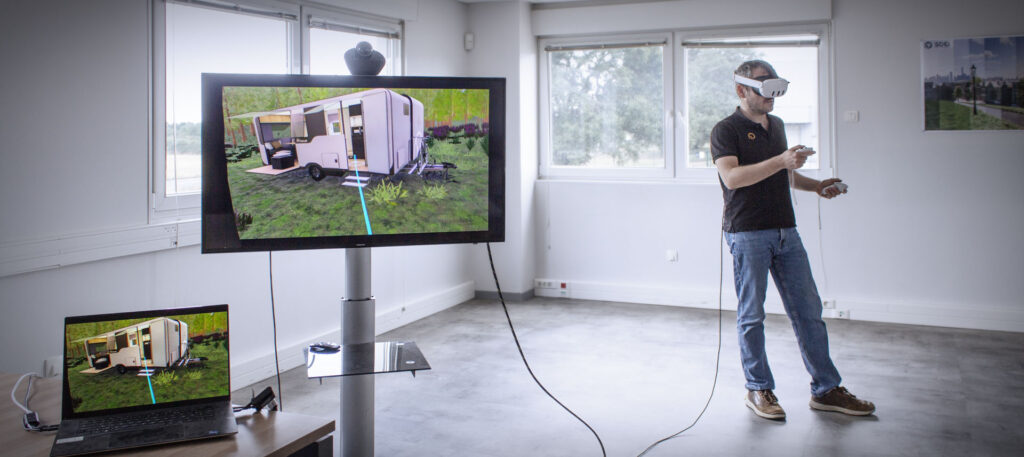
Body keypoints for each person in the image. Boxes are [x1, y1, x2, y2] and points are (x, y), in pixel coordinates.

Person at [710, 60, 874, 420]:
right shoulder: (726, 129)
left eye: (775, 86)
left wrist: (816, 186)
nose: (771, 95)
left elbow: (782, 174)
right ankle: (758, 388)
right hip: (747, 232)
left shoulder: (778, 125)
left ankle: (826, 389)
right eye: (763, 87)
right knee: (752, 315)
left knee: (809, 312)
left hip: (787, 231)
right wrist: (782, 161)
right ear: (741, 90)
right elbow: (733, 178)